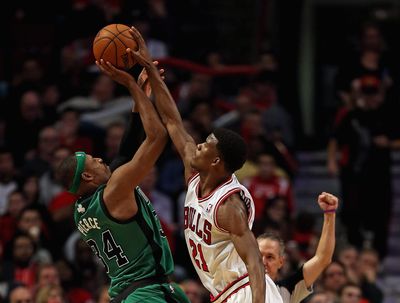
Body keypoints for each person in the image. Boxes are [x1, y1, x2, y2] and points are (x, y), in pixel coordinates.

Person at [127, 26, 281, 303]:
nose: (198, 144)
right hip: (223, 293)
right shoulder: (195, 174)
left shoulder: (228, 206)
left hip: (246, 292)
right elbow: (173, 120)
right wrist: (149, 67)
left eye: (206, 143)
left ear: (216, 160)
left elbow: (255, 262)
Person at [56, 59, 190, 303]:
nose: (99, 159)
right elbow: (157, 137)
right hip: (145, 295)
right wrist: (130, 83)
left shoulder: (82, 210)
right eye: (93, 160)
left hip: (134, 292)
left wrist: (139, 95)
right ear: (87, 176)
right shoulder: (114, 190)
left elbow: (125, 153)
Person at [257, 192, 339, 303]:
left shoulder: (287, 288)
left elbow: (323, 258)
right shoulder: (235, 284)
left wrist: (329, 214)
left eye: (270, 257)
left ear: (281, 262)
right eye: (258, 256)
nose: (263, 261)